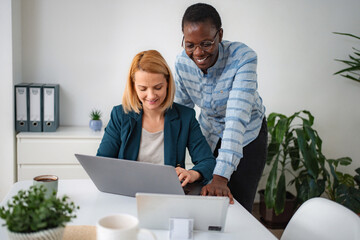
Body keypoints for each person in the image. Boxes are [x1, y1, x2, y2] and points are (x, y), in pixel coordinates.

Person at [174, 3, 268, 212]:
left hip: (246, 137)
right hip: (209, 132)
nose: (198, 52)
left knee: (237, 205)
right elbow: (181, 116)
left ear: (220, 35)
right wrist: (174, 163)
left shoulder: (243, 59)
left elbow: (236, 119)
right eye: (190, 45)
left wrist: (220, 177)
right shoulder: (182, 63)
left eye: (206, 43)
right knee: (204, 199)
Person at [97, 50, 216, 186]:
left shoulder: (185, 116)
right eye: (143, 89)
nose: (151, 95)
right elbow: (102, 163)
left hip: (167, 194)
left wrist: (192, 174)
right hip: (127, 192)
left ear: (167, 83)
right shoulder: (120, 115)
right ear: (133, 87)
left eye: (158, 87)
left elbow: (207, 162)